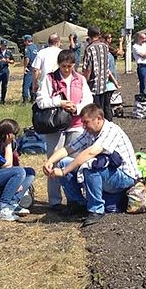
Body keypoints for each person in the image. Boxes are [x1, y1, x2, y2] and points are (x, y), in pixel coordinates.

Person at [44, 104, 140, 227]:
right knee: (64, 162)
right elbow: (69, 149)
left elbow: (91, 152)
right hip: (109, 173)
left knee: (90, 167)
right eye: (82, 123)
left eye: (86, 122)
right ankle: (78, 204)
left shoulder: (112, 130)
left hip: (125, 177)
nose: (84, 126)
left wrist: (63, 172)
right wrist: (50, 161)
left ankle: (96, 210)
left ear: (99, 118)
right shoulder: (90, 132)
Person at [36, 49, 93, 212]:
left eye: (69, 66)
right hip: (54, 125)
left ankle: (73, 199)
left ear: (74, 65)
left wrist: (76, 108)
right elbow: (41, 101)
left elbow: (88, 100)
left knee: (74, 162)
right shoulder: (49, 78)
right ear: (58, 65)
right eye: (63, 66)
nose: (66, 69)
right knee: (52, 160)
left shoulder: (80, 79)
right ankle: (54, 200)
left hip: (76, 124)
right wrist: (60, 103)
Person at [82, 26, 109, 110]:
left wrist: (84, 82)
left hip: (93, 86)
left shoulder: (89, 49)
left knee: (94, 110)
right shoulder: (105, 46)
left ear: (88, 35)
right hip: (104, 84)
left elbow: (88, 68)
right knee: (102, 109)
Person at [0, 39, 15, 104]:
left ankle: (3, 99)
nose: (4, 47)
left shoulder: (9, 52)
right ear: (1, 45)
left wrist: (8, 61)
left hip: (5, 70)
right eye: (3, 45)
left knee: (4, 85)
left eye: (5, 45)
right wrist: (0, 60)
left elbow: (13, 61)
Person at [22, 34, 38, 103]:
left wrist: (25, 67)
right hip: (35, 67)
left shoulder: (27, 48)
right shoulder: (35, 47)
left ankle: (25, 100)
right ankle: (33, 98)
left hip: (29, 67)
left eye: (24, 41)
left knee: (26, 85)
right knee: (33, 83)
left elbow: (27, 58)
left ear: (27, 41)